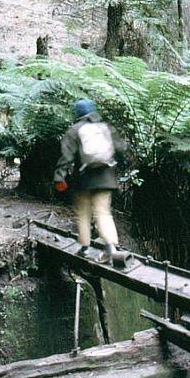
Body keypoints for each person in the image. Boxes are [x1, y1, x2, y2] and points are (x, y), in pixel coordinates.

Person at [53, 99, 126, 264]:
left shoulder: (74, 130)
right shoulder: (105, 128)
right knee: (103, 213)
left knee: (83, 214)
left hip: (84, 180)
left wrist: (59, 177)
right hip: (106, 178)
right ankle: (111, 248)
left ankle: (84, 248)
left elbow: (66, 157)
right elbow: (121, 149)